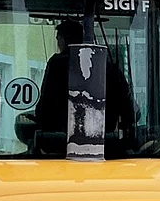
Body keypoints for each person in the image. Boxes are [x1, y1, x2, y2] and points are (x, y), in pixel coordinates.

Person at [34, 19, 135, 148]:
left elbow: (46, 103)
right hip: (105, 144)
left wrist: (41, 124)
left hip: (61, 143)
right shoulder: (107, 67)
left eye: (58, 39)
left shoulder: (57, 64)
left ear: (63, 39)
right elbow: (127, 106)